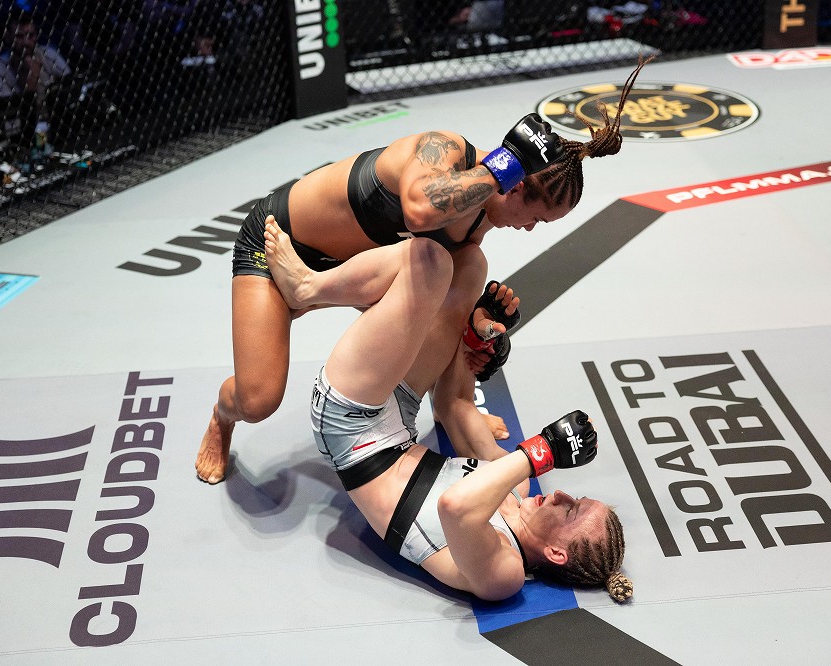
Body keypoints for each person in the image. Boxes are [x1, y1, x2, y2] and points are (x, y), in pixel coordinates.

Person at [194, 56, 654, 485]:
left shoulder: (478, 224)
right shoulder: (444, 150)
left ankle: (448, 407)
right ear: (513, 188)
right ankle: (221, 416)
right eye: (535, 217)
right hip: (279, 243)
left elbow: (435, 307)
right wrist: (505, 164)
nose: (530, 228)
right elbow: (419, 210)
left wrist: (475, 333)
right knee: (257, 400)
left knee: (468, 268)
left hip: (349, 273)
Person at [262, 219, 633, 602]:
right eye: (576, 498)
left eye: (570, 511)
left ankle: (310, 289)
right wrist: (476, 340)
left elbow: (455, 507)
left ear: (557, 554)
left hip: (351, 429)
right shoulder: (516, 487)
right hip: (398, 418)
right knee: (469, 266)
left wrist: (543, 451)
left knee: (427, 265)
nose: (562, 496)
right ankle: (327, 289)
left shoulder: (504, 573)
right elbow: (453, 406)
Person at [0, 12, 72, 107]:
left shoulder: (48, 53)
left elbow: (69, 82)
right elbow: (14, 106)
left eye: (31, 35)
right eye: (19, 36)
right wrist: (31, 76)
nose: (26, 42)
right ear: (7, 37)